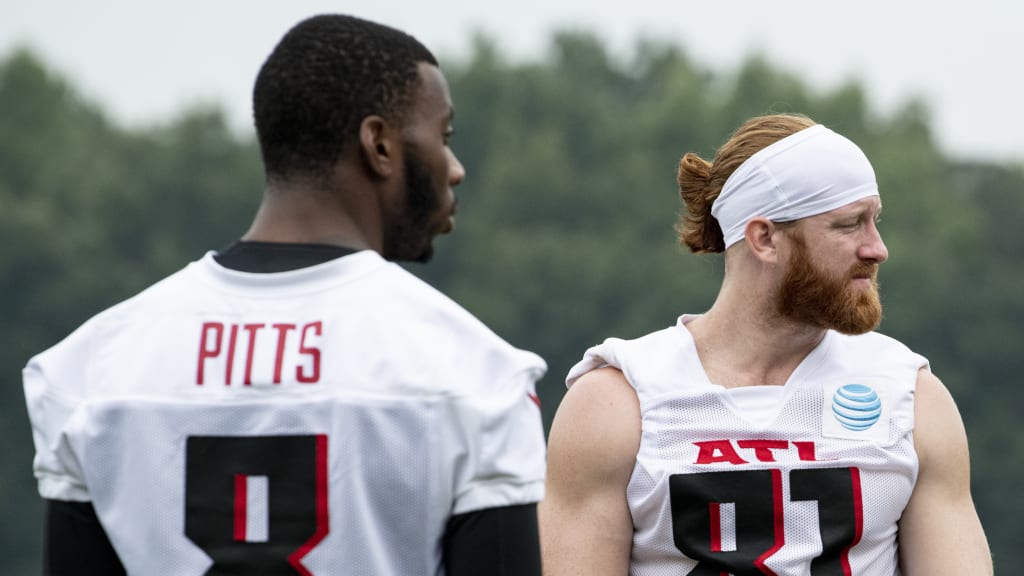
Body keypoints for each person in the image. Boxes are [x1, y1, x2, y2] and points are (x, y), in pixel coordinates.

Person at [24, 14, 547, 576]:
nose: (456, 168)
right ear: (379, 145)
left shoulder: (90, 371)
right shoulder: (475, 372)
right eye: (443, 138)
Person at [540, 113, 992, 575]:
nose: (877, 248)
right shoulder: (617, 402)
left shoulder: (911, 398)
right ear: (764, 239)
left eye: (874, 221)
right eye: (849, 224)